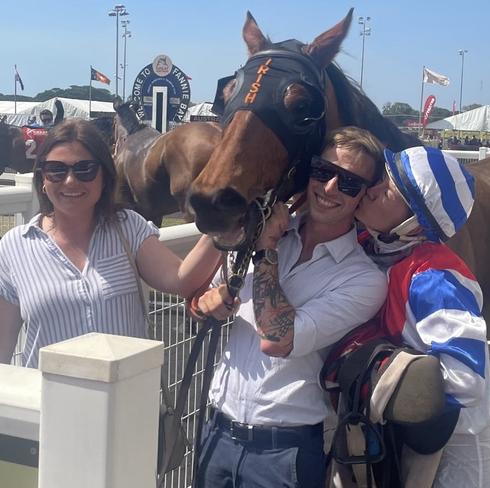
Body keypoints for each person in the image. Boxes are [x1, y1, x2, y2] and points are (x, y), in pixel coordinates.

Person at [194, 126, 388, 488]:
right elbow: (205, 296)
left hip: (283, 455)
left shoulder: (364, 279)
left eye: (348, 183)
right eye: (324, 172)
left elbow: (277, 338)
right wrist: (208, 303)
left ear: (363, 195)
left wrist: (267, 248)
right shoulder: (267, 229)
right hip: (217, 432)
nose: (330, 188)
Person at [327, 145, 490, 487]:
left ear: (413, 223)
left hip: (449, 442)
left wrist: (374, 375)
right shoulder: (372, 244)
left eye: (388, 189)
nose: (371, 190)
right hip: (396, 433)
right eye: (384, 178)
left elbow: (466, 381)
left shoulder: (436, 278)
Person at [0, 118, 222, 367]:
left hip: (123, 399)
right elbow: (2, 349)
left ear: (104, 176)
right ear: (42, 178)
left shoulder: (128, 228)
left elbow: (180, 279)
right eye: (56, 170)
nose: (70, 181)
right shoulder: (14, 247)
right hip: (49, 402)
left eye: (85, 170)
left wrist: (224, 224)